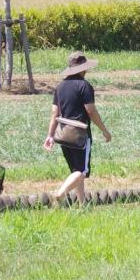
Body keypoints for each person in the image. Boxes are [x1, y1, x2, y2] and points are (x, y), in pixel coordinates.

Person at [45, 51, 111, 203]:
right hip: (80, 135)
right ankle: (60, 193)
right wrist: (104, 131)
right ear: (82, 69)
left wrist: (50, 135)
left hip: (62, 134)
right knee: (82, 172)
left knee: (76, 171)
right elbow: (91, 111)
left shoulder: (60, 87)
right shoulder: (85, 86)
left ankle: (82, 205)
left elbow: (54, 112)